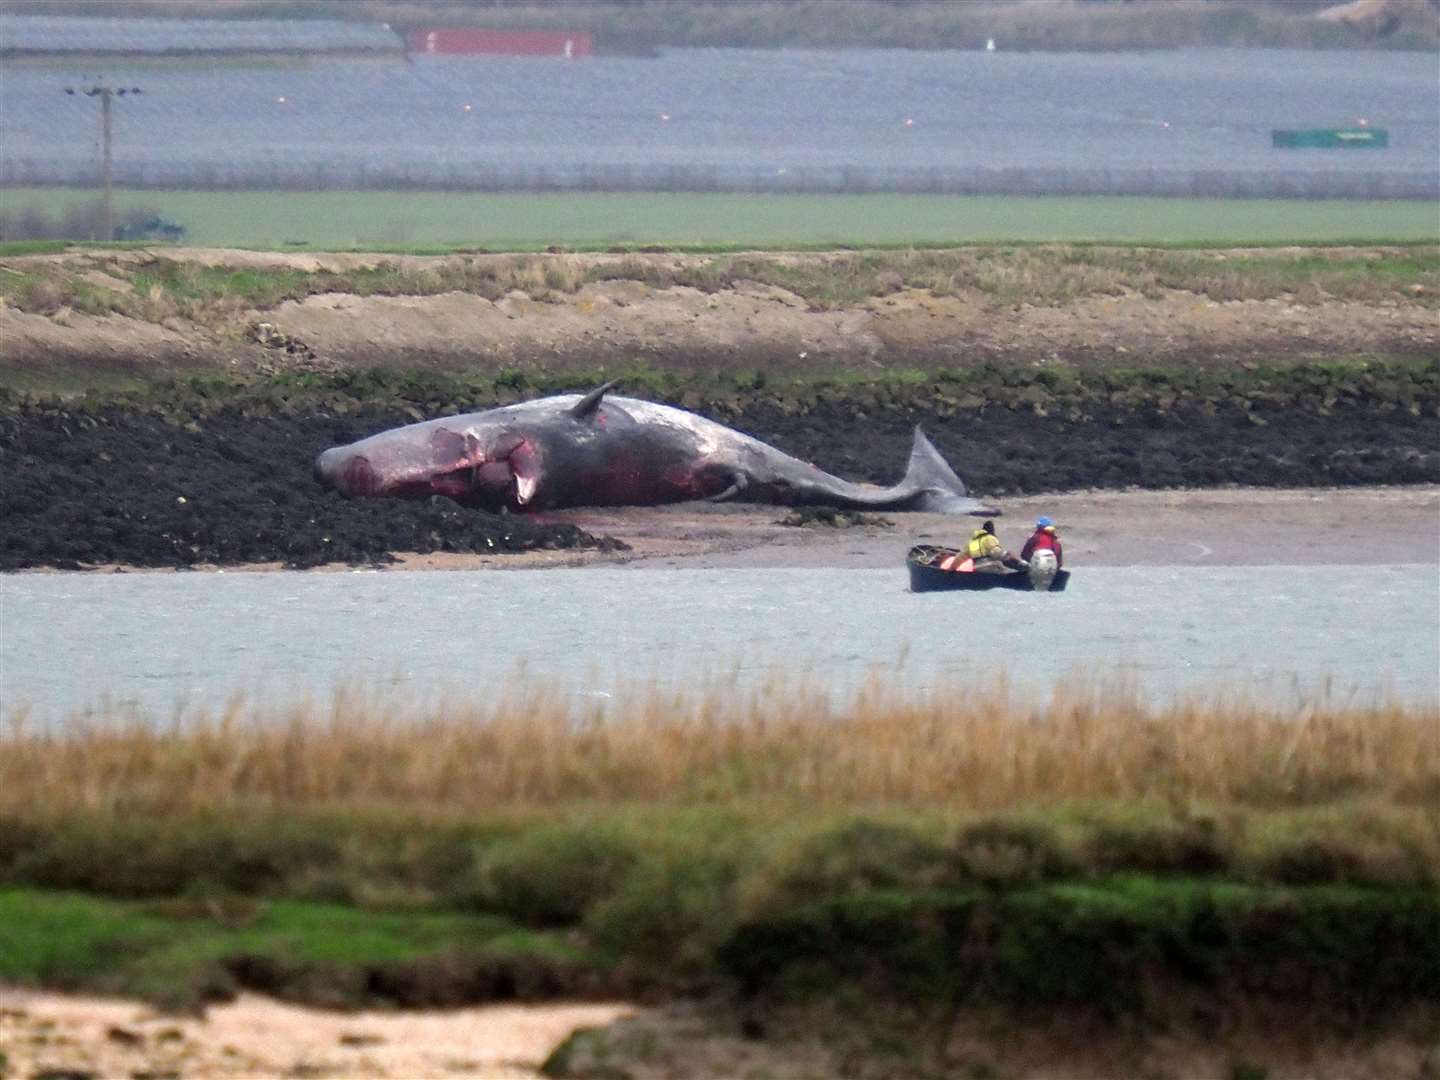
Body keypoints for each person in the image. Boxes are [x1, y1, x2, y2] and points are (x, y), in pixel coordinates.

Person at [961, 519, 1027, 573]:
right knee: (1007, 556)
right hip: (986, 567)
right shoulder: (989, 539)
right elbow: (998, 554)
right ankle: (1024, 565)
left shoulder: (974, 540)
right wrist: (1011, 557)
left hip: (975, 567)